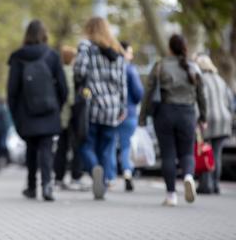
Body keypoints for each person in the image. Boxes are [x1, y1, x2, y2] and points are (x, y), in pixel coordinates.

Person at [139, 34, 207, 206]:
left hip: (165, 113)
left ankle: (171, 196)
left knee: (168, 154)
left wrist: (142, 117)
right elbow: (201, 95)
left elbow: (148, 92)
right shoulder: (193, 67)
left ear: (169, 48)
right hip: (188, 114)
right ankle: (189, 177)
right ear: (184, 48)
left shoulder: (160, 66)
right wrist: (203, 117)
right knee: (187, 152)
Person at [7, 19, 67, 201]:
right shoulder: (53, 56)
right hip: (49, 111)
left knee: (31, 149)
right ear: (44, 34)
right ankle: (48, 185)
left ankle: (32, 186)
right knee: (47, 149)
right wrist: (57, 105)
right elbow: (64, 88)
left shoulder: (18, 57)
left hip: (26, 112)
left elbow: (12, 91)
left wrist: (15, 114)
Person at [73, 17, 126, 200]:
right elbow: (122, 82)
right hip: (112, 108)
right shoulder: (118, 50)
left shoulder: (86, 47)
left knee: (85, 144)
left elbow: (79, 71)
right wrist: (122, 105)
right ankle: (103, 181)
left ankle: (94, 169)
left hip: (92, 105)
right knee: (106, 148)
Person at [194, 54, 233, 194]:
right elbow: (229, 100)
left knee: (205, 153)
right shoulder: (220, 80)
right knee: (217, 154)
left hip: (208, 121)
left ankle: (206, 185)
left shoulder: (200, 80)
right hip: (224, 121)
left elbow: (199, 101)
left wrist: (198, 120)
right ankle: (216, 184)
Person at [53, 45, 88, 191]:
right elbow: (71, 96)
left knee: (61, 148)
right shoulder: (70, 72)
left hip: (61, 116)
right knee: (75, 147)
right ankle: (75, 177)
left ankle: (59, 178)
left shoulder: (58, 72)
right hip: (70, 116)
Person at [116, 41, 144, 192]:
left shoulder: (111, 66)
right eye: (130, 52)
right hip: (129, 112)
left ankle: (109, 178)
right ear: (124, 52)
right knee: (126, 145)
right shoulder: (130, 70)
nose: (132, 56)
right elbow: (139, 92)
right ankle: (127, 171)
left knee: (110, 145)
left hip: (111, 112)